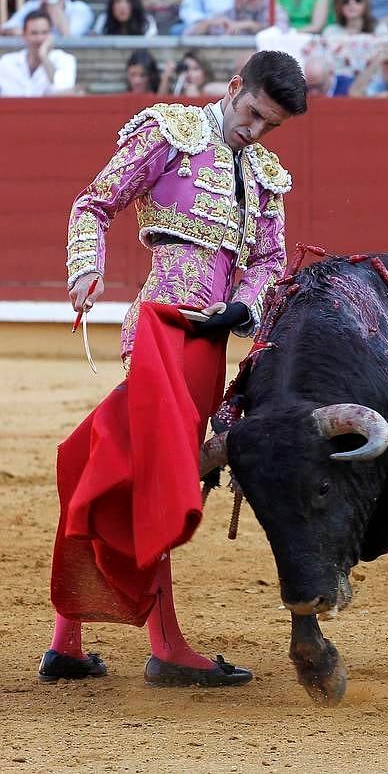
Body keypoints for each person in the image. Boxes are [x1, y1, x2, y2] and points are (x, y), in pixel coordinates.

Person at [38, 50, 308, 687]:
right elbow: (94, 204)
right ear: (234, 86)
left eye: (270, 126)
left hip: (209, 346)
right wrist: (86, 268)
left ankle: (67, 640)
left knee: (105, 465)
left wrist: (243, 305)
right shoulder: (167, 133)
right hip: (161, 332)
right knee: (160, 476)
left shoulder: (267, 174)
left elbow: (269, 260)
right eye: (251, 115)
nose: (255, 132)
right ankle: (165, 643)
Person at [0, 8, 76, 96]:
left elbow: (63, 92)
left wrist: (44, 56)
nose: (39, 38)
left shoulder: (65, 60)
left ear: (51, 35)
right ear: (24, 36)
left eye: (44, 32)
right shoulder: (6, 62)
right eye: (34, 33)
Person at [92, 0, 158, 37]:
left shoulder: (146, 21)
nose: (122, 6)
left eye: (128, 1)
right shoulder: (104, 19)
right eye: (118, 0)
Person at [158, 49, 228, 96]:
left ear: (205, 72)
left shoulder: (208, 88)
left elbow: (232, 90)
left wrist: (199, 93)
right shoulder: (177, 90)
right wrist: (166, 78)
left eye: (195, 69)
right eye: (186, 68)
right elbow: (159, 103)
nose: (189, 73)